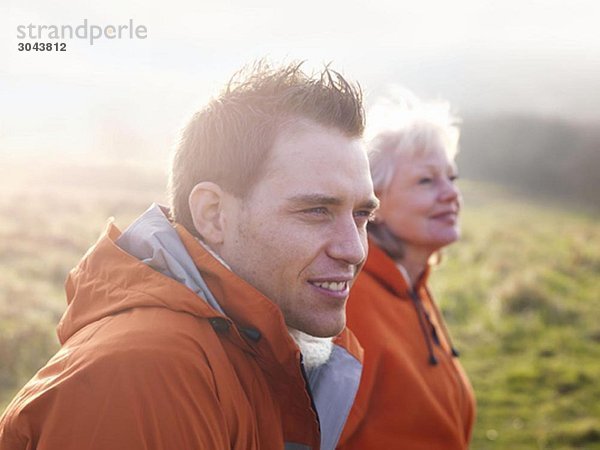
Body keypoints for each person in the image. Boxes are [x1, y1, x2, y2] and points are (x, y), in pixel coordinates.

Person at [0, 62, 379, 450]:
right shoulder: (144, 377)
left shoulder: (259, 353)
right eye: (316, 211)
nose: (354, 249)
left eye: (362, 215)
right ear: (213, 214)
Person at [337, 92, 476, 450]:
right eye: (426, 181)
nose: (451, 195)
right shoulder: (350, 303)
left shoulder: (413, 282)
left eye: (452, 177)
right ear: (374, 203)